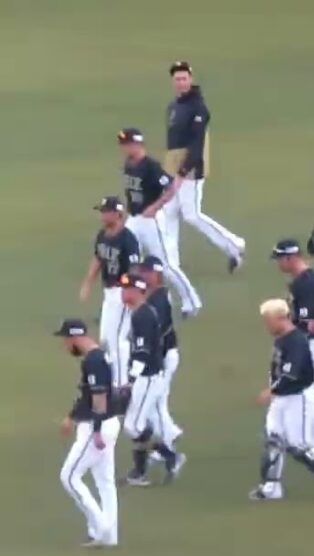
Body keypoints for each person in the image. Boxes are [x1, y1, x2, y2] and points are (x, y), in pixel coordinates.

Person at [250, 300, 314, 501]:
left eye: (268, 321)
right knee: (273, 439)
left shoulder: (296, 341)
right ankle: (272, 487)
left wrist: (271, 391)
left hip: (296, 398)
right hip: (280, 398)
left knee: (300, 446)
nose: (266, 325)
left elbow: (290, 375)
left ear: (280, 318)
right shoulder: (282, 338)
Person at [162, 60, 247, 271]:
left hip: (190, 168)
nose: (181, 82)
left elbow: (196, 144)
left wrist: (182, 172)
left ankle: (234, 245)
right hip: (173, 164)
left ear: (191, 79)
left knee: (191, 215)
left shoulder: (198, 108)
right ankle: (171, 263)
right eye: (177, 79)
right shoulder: (174, 106)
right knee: (168, 212)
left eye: (184, 78)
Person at [117, 127, 201, 315]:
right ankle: (125, 305)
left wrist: (155, 207)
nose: (124, 148)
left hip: (152, 221)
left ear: (137, 144)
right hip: (134, 219)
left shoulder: (151, 166)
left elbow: (171, 188)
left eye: (127, 144)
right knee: (128, 261)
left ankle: (192, 301)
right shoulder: (129, 164)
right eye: (123, 144)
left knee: (166, 265)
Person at [53, 319, 120, 548]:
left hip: (96, 426)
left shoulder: (94, 361)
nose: (65, 345)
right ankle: (110, 535)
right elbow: (88, 395)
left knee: (69, 477)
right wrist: (71, 417)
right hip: (108, 422)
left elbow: (99, 398)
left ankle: (101, 528)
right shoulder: (99, 356)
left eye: (65, 339)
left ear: (74, 337)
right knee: (105, 481)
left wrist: (97, 430)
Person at [120, 273, 184, 486]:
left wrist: (130, 379)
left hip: (148, 377)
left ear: (137, 291)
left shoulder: (143, 316)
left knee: (134, 426)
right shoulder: (141, 312)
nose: (123, 293)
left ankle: (168, 457)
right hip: (148, 376)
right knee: (136, 425)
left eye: (127, 289)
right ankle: (143, 470)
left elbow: (143, 351)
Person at [79, 196, 141, 387]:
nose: (102, 215)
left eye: (106, 212)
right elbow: (98, 259)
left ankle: (121, 384)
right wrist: (88, 283)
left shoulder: (128, 239)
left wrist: (126, 291)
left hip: (123, 293)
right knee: (106, 340)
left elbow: (134, 270)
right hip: (109, 293)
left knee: (117, 340)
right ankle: (114, 377)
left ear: (117, 214)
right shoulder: (102, 235)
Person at [271, 239, 314, 430]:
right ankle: (313, 424)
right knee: (304, 389)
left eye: (280, 259)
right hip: (306, 342)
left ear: (291, 257)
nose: (278, 264)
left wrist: (289, 336)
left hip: (309, 343)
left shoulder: (306, 282)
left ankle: (309, 431)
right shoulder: (300, 279)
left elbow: (307, 322)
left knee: (305, 389)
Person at [135, 257, 184, 463]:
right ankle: (168, 438)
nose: (144, 274)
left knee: (155, 402)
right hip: (162, 356)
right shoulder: (154, 295)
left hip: (164, 356)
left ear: (157, 274)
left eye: (148, 272)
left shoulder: (159, 300)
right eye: (142, 271)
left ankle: (169, 436)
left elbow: (158, 333)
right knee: (157, 402)